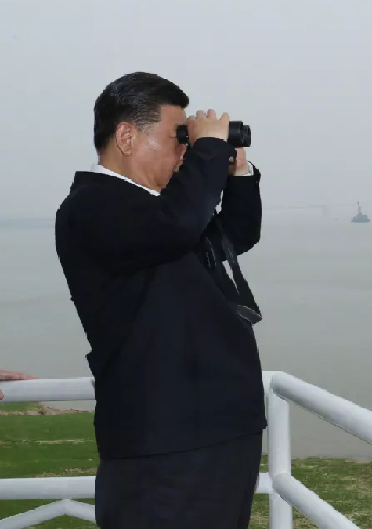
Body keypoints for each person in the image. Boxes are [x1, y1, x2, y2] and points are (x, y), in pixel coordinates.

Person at [54, 72, 266, 529]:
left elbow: (236, 235)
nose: (185, 151)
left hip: (222, 428)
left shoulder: (162, 211)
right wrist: (208, 151)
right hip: (165, 439)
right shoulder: (91, 206)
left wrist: (237, 172)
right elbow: (177, 225)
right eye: (178, 138)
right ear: (126, 136)